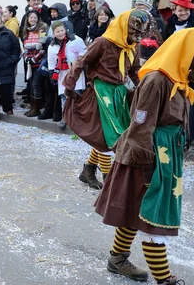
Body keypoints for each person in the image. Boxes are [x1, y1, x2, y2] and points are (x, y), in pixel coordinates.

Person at [95, 28, 194, 285]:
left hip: (164, 155)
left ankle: (117, 258)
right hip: (149, 158)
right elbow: (141, 125)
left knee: (135, 210)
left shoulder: (178, 78)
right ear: (187, 52)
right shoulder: (157, 79)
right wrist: (148, 167)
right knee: (155, 219)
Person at [64, 10, 151, 190]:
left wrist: (142, 89)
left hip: (119, 94)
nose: (137, 35)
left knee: (107, 135)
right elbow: (81, 61)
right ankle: (109, 178)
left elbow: (133, 70)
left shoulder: (133, 46)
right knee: (106, 135)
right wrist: (70, 84)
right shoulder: (103, 42)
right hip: (101, 91)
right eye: (134, 30)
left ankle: (88, 170)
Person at [46, 21, 86, 129]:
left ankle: (77, 119)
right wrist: (52, 73)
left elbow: (84, 53)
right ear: (54, 33)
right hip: (62, 74)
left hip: (75, 73)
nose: (60, 33)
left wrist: (78, 63)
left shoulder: (75, 40)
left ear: (65, 30)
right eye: (57, 31)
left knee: (76, 95)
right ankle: (66, 117)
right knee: (64, 97)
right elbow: (51, 61)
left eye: (61, 30)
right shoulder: (52, 46)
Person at [21, 10, 48, 117]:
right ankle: (32, 107)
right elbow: (24, 48)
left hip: (38, 63)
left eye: (35, 18)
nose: (33, 19)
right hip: (29, 63)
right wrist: (27, 58)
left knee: (36, 85)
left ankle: (37, 108)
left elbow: (42, 49)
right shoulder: (26, 32)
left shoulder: (41, 30)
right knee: (31, 85)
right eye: (31, 18)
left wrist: (35, 59)